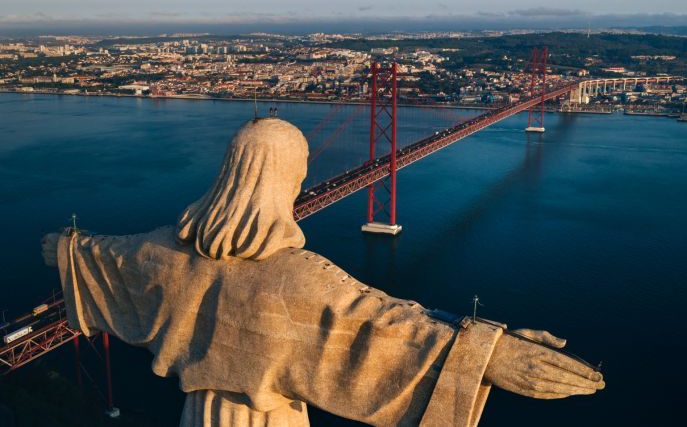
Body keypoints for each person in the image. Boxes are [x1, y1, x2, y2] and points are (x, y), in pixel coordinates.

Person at [41, 118, 604, 427]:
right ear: (288, 177)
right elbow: (385, 329)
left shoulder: (165, 251)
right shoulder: (301, 279)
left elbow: (105, 255)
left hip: (201, 415)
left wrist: (64, 248)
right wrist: (491, 352)